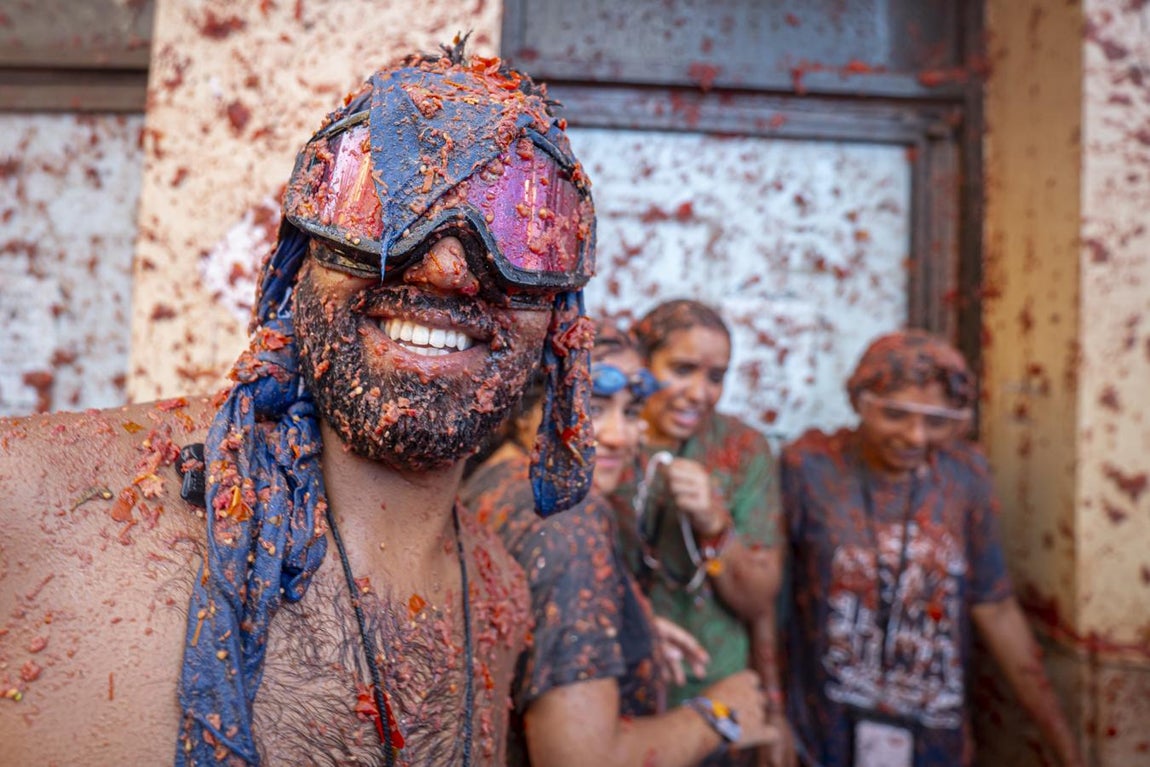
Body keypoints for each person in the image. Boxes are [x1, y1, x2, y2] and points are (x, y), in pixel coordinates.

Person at [0, 40, 599, 765]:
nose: (446, 268)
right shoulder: (35, 503)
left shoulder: (502, 596)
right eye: (377, 204)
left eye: (521, 227)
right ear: (295, 260)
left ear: (561, 317)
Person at [461, 321, 777, 767]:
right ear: (526, 402)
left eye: (630, 413)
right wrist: (718, 714)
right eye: (591, 405)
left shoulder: (497, 477)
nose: (618, 436)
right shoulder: (568, 518)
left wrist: (632, 629)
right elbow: (581, 760)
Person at [781, 329, 1082, 767]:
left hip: (932, 734)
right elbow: (774, 599)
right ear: (860, 402)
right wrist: (773, 710)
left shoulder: (964, 476)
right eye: (895, 415)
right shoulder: (811, 468)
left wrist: (1060, 740)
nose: (915, 437)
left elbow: (994, 606)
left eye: (936, 422)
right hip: (826, 725)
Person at [613, 299, 788, 767]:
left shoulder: (741, 449)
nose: (699, 392)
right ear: (642, 363)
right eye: (682, 369)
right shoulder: (606, 441)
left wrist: (715, 524)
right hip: (617, 700)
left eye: (715, 377)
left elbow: (758, 599)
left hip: (718, 692)